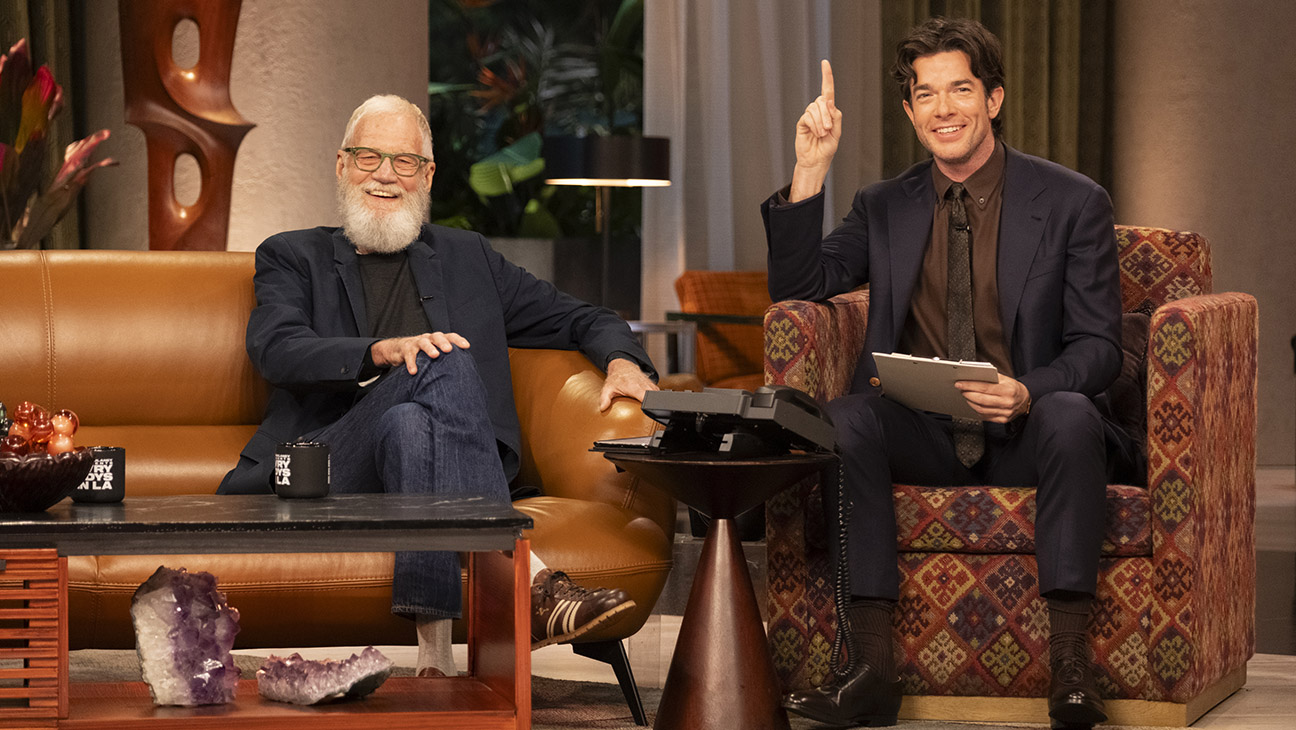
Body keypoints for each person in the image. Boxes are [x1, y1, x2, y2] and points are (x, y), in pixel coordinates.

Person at [762, 17, 1125, 729]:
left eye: (960, 89)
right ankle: (868, 669)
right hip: (923, 429)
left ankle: (1073, 667)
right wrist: (811, 171)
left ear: (993, 99)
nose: (943, 109)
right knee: (842, 420)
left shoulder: (1073, 202)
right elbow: (800, 286)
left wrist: (1029, 390)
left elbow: (1100, 346)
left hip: (1027, 427)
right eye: (926, 95)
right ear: (909, 112)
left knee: (1074, 412)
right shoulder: (883, 204)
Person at [218, 94, 660, 678]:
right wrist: (383, 350)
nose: (384, 175)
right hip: (326, 465)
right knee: (442, 356)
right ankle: (531, 584)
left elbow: (584, 317)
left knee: (411, 420)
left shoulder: (467, 256)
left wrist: (626, 363)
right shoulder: (291, 254)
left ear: (427, 175)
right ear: (342, 165)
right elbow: (276, 348)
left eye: (404, 162)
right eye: (368, 156)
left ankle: (436, 663)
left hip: (429, 461)